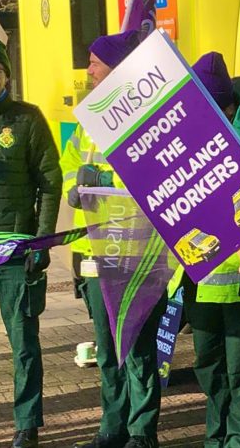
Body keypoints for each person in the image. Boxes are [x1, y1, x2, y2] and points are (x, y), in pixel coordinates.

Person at [165, 51, 240, 447]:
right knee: (209, 365)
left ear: (225, 102)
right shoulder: (187, 132)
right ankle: (215, 437)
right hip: (199, 280)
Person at [61, 31, 166, 448]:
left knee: (138, 347)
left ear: (117, 68)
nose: (87, 70)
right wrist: (75, 185)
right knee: (107, 349)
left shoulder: (149, 116)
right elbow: (72, 164)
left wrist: (102, 179)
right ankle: (112, 426)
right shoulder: (87, 120)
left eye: (94, 62)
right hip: (96, 251)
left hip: (138, 250)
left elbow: (153, 176)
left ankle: (142, 431)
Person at [0, 38, 62, 448]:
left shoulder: (27, 119)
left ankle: (27, 423)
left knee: (24, 344)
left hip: (13, 254)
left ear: (8, 76)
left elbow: (51, 182)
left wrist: (40, 242)